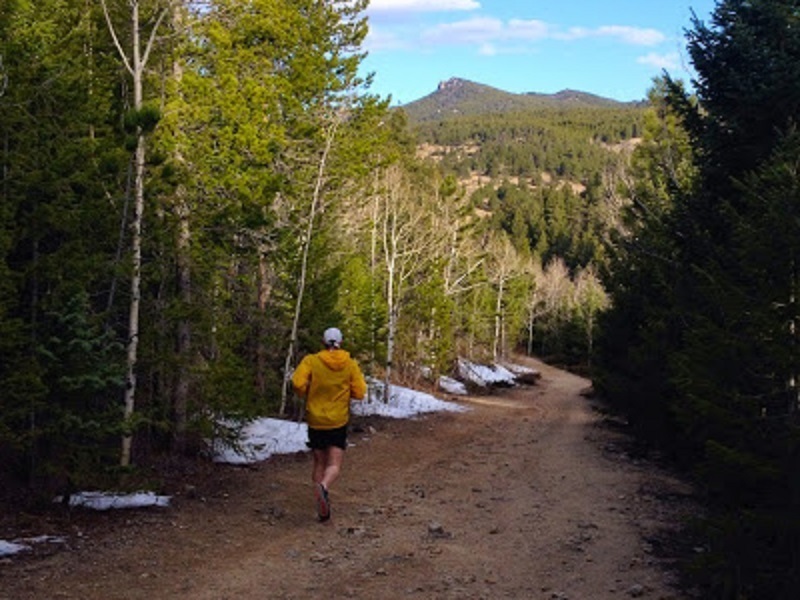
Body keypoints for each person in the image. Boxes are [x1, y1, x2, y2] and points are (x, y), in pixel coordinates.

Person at [291, 327, 367, 522]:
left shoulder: (311, 361)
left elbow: (298, 383)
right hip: (337, 420)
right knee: (334, 464)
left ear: (323, 342)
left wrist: (307, 393)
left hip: (316, 419)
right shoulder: (349, 364)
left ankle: (320, 502)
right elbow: (359, 392)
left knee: (319, 461)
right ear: (340, 342)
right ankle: (324, 487)